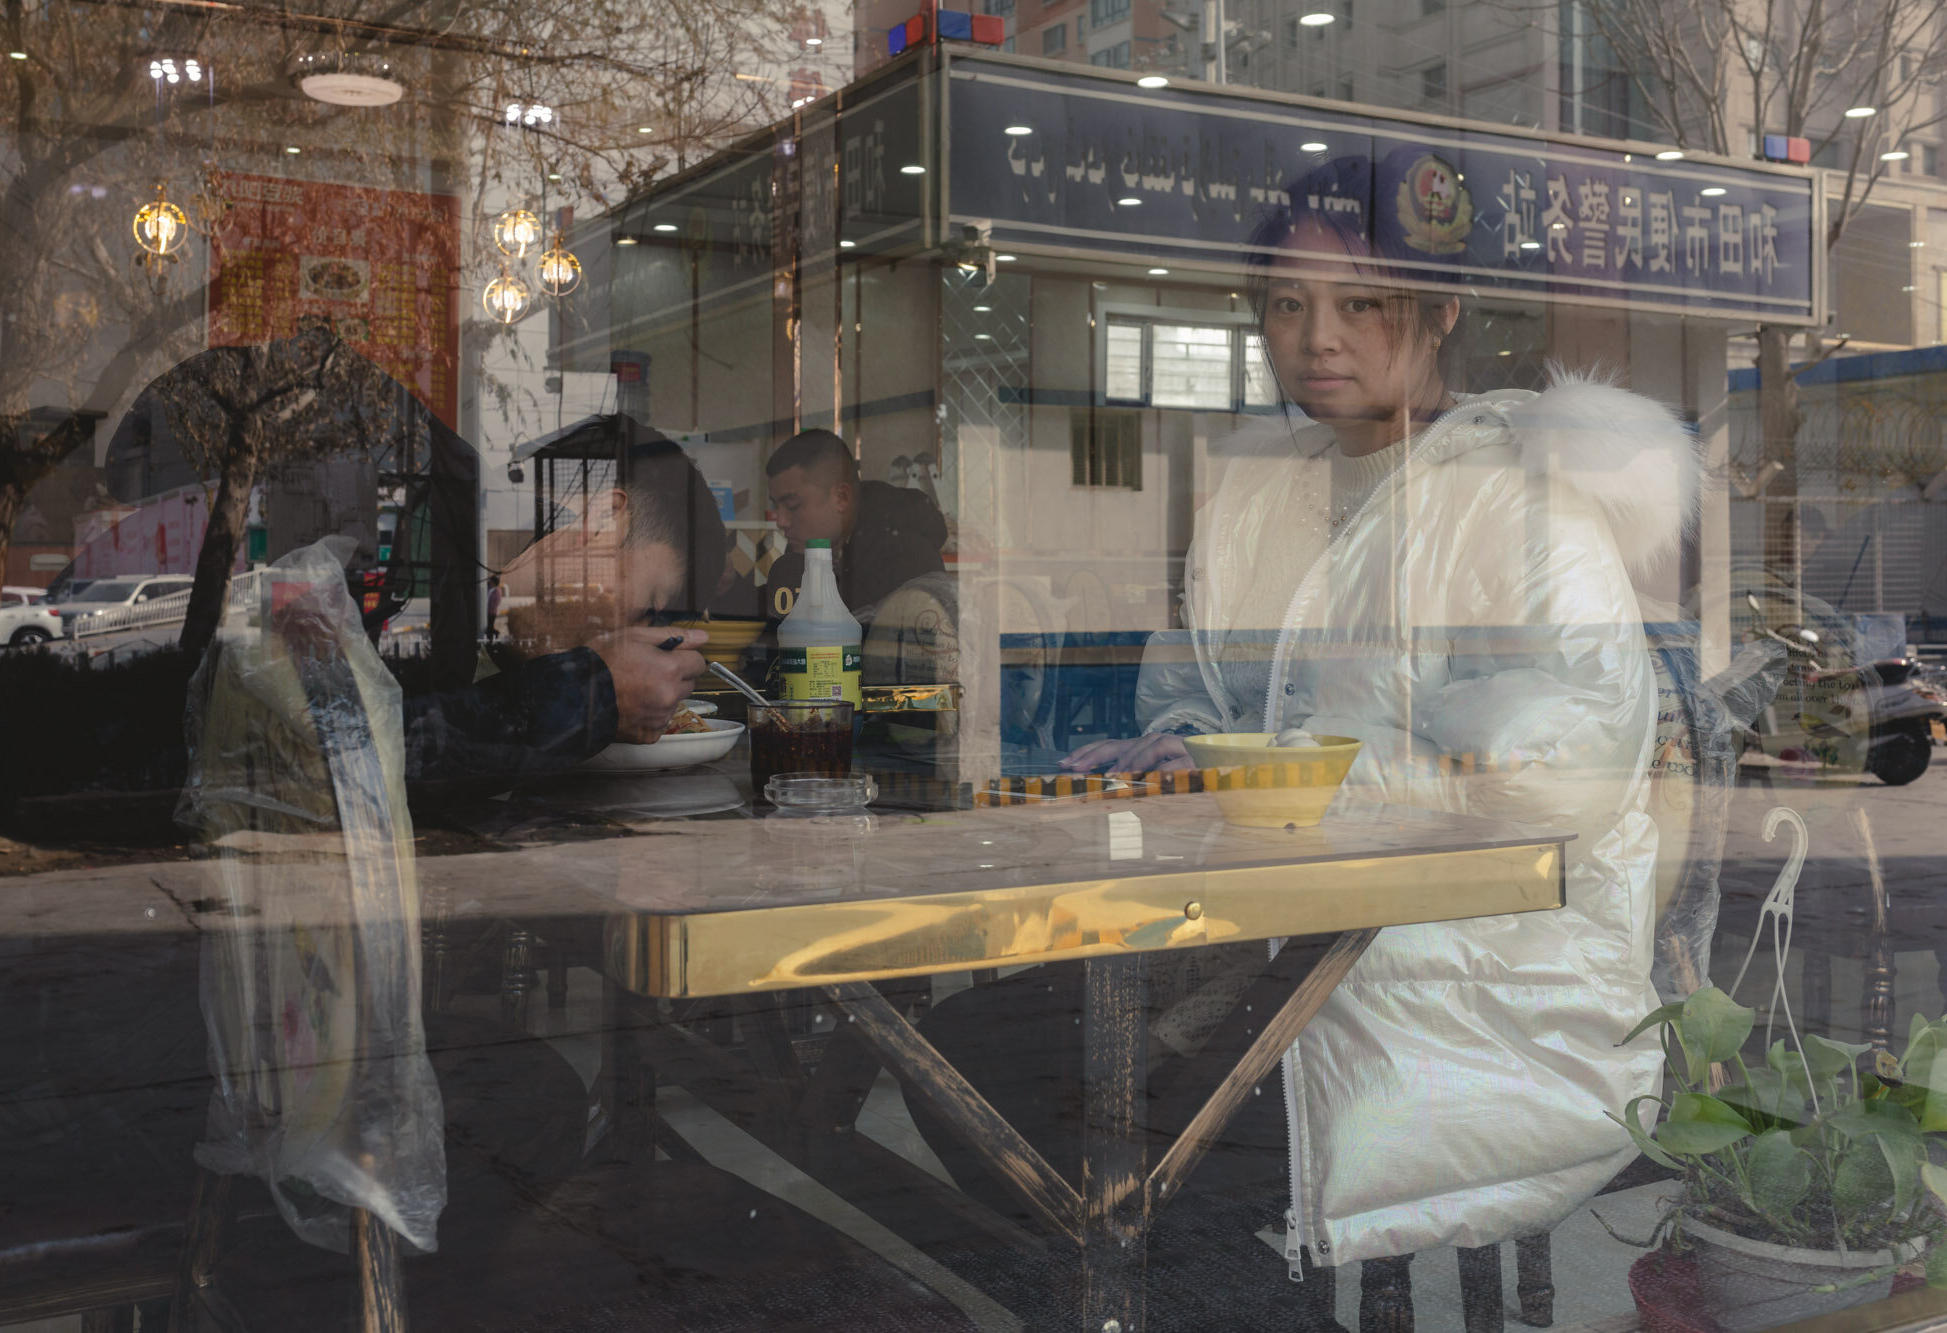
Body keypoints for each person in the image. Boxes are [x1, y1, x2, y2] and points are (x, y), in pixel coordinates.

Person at [916, 148, 1701, 1304]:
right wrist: (1177, 746)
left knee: (1105, 1149)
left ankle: (1207, 1289)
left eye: (1357, 304)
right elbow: (1188, 683)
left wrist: (1292, 772)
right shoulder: (1256, 488)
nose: (1315, 337)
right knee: (979, 1057)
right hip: (1260, 952)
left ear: (1440, 313)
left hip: (1466, 991)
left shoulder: (1518, 493)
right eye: (1285, 304)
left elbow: (1558, 761)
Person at [402, 425, 724, 790]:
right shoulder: (413, 522)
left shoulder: (470, 583)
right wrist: (593, 695)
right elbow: (354, 750)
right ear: (604, 521)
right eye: (648, 607)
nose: (634, 642)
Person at [762, 429, 947, 623]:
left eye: (793, 505)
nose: (780, 521)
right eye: (776, 506)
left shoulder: (907, 562)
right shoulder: (802, 553)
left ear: (842, 498)